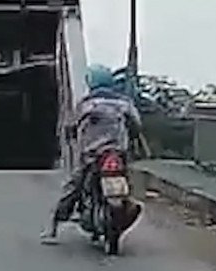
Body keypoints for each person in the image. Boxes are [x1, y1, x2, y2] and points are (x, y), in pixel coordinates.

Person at [40, 64, 143, 243]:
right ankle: (123, 212)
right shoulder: (124, 103)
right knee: (127, 182)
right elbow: (136, 125)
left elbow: (71, 126)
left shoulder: (87, 104)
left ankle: (53, 227)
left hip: (92, 155)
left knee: (73, 187)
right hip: (118, 153)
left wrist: (72, 136)